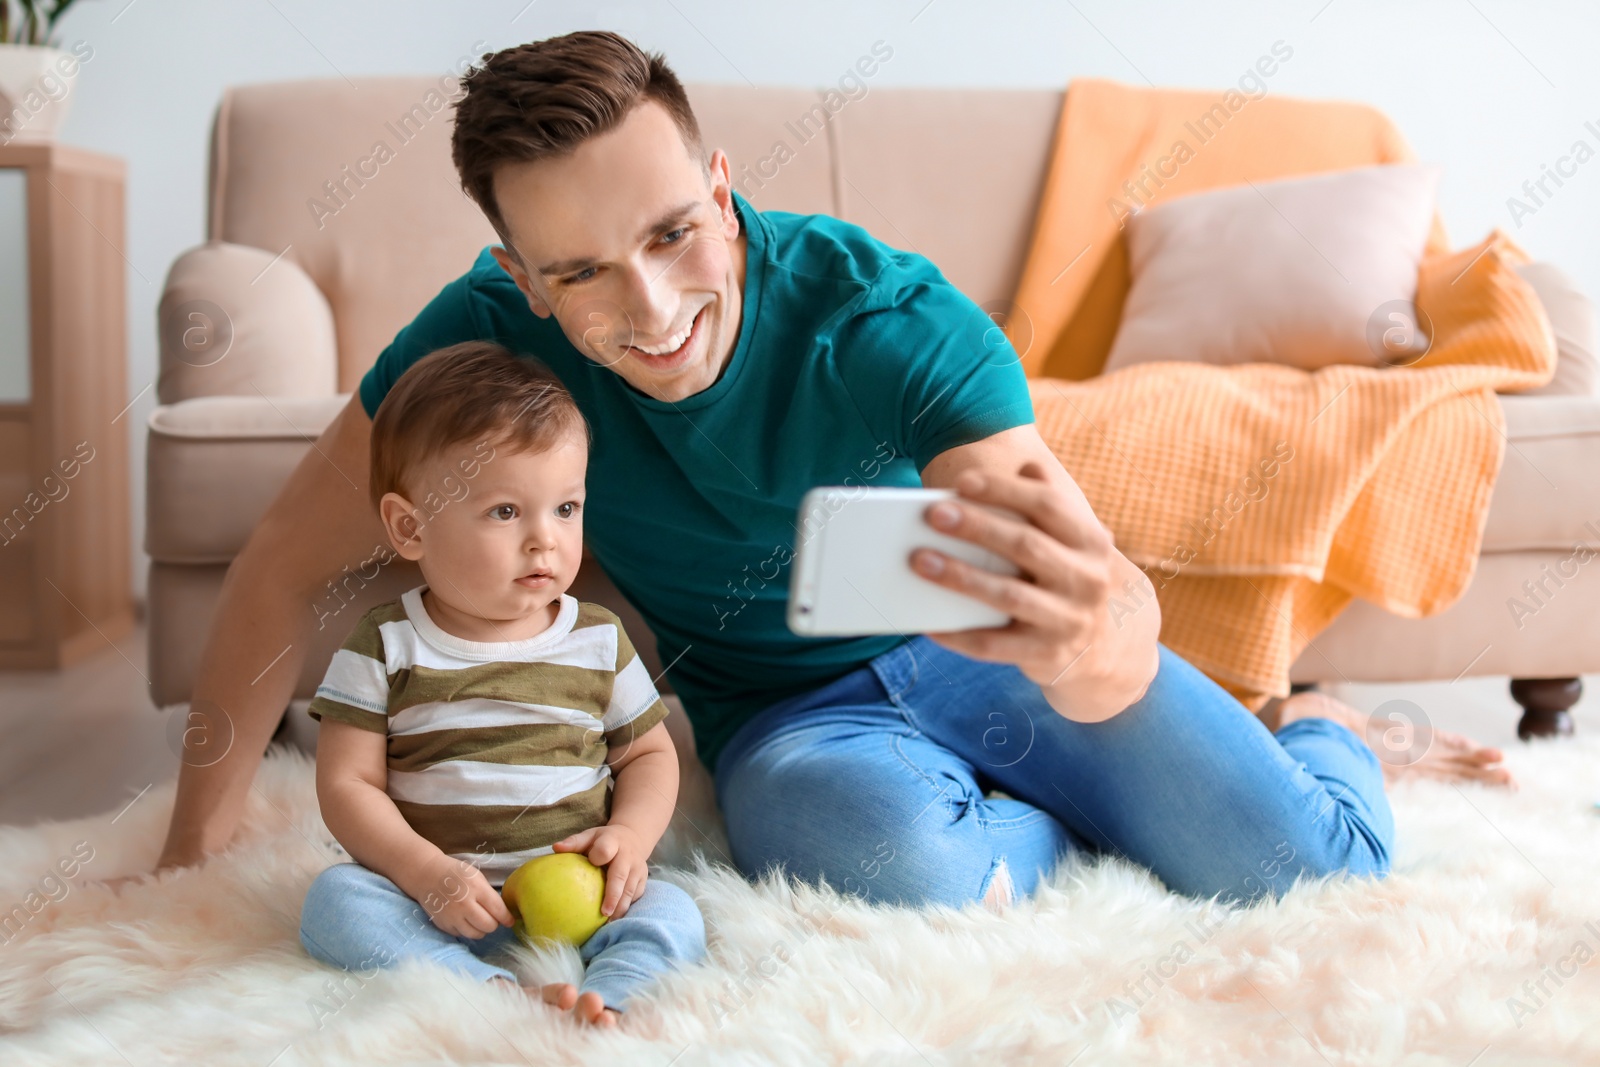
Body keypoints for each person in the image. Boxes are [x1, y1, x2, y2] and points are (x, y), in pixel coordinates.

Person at [114, 30, 1510, 915]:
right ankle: (1064, 821)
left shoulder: (886, 318)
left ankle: (1319, 720)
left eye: (673, 233)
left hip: (1000, 666)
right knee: (887, 865)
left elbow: (1086, 587)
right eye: (584, 272)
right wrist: (194, 854)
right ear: (521, 282)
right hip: (793, 722)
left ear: (722, 187)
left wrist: (1105, 651)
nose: (652, 310)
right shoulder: (475, 334)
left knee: (1303, 871)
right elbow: (284, 569)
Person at [297, 341, 706, 1027]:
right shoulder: (385, 642)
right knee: (335, 901)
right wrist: (426, 874)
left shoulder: (597, 637)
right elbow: (347, 784)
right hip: (434, 902)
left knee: (677, 909)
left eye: (566, 509)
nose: (545, 539)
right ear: (410, 526)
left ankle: (614, 997)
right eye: (507, 512)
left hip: (581, 896)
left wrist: (630, 839)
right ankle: (483, 987)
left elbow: (650, 754)